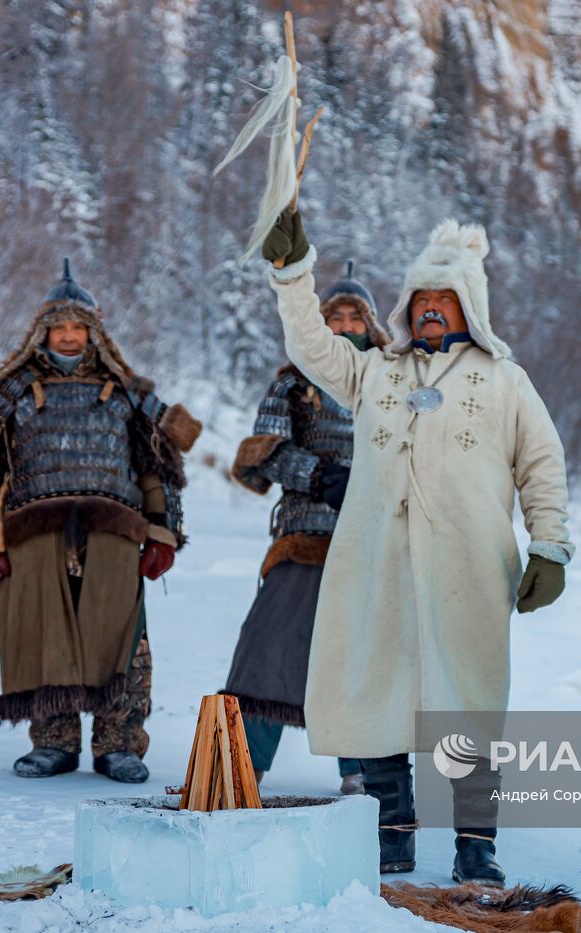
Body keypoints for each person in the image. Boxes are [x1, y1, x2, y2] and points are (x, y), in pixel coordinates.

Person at [262, 210, 573, 886]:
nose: (431, 311)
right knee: (379, 691)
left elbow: (541, 463)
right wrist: (293, 275)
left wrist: (549, 543)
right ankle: (391, 830)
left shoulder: (503, 380)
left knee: (468, 701)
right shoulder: (377, 371)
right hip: (376, 562)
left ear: (470, 305)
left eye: (444, 301)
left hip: (469, 566)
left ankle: (474, 845)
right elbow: (313, 346)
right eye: (422, 301)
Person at [0, 261, 200, 783]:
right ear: (43, 332)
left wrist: (163, 533)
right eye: (61, 328)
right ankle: (53, 742)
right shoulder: (7, 392)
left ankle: (119, 744)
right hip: (35, 535)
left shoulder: (129, 393)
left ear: (94, 332)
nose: (70, 336)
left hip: (115, 534)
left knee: (121, 638)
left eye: (79, 328)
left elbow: (159, 467)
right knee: (43, 633)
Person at [225, 261, 389, 794]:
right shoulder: (294, 384)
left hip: (374, 542)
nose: (343, 326)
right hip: (304, 538)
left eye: (354, 317)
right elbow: (265, 451)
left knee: (360, 658)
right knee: (267, 649)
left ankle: (362, 773)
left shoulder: (394, 382)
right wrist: (321, 476)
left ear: (370, 325)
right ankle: (245, 766)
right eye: (334, 317)